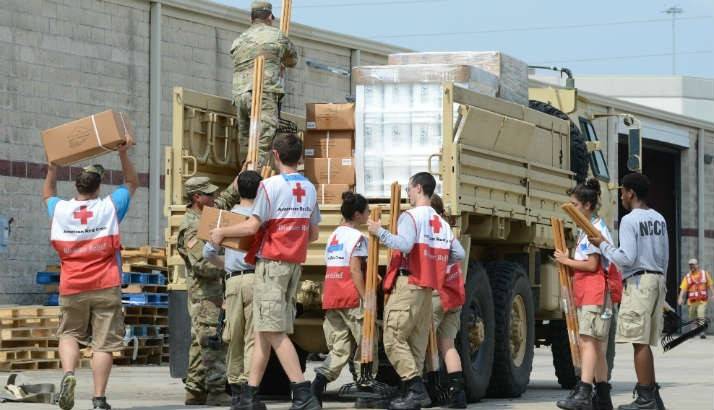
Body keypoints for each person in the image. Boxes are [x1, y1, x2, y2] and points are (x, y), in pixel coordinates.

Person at [209, 133, 321, 410]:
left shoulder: (269, 186)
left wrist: (221, 232)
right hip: (294, 264)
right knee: (263, 329)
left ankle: (303, 391)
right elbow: (314, 233)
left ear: (275, 155)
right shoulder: (309, 188)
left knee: (272, 330)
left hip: (272, 264)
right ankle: (249, 394)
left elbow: (250, 227)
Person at [43, 139, 138, 410]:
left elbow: (48, 194)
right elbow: (132, 182)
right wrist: (122, 154)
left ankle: (69, 375)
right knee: (103, 344)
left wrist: (52, 168)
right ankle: (99, 399)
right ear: (98, 186)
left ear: (77, 185)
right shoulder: (109, 206)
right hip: (105, 284)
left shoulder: (60, 209)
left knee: (69, 333)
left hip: (72, 285)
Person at [366, 173, 465, 410]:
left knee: (392, 338)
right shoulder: (440, 222)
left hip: (409, 284)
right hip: (428, 289)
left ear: (418, 188)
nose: (408, 194)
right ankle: (409, 394)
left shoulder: (410, 216)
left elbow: (404, 245)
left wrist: (378, 231)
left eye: (409, 189)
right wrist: (435, 263)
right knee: (416, 345)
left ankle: (415, 389)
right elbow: (459, 254)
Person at [588, 173, 669, 410]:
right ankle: (653, 397)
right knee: (645, 341)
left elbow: (626, 257)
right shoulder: (659, 218)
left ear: (631, 193)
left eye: (622, 191)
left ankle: (644, 398)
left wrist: (602, 245)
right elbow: (665, 255)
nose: (621, 196)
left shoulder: (630, 220)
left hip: (638, 283)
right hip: (657, 280)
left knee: (638, 342)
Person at [553, 179, 619, 410]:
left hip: (595, 290)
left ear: (588, 205)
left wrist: (566, 261)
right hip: (585, 290)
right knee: (596, 346)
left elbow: (592, 265)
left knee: (588, 342)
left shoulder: (595, 229)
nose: (572, 209)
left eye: (576, 205)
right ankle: (602, 394)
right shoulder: (585, 229)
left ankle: (584, 391)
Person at [177, 175, 242, 406]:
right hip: (205, 295)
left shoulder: (207, 215)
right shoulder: (192, 226)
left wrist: (240, 179)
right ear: (197, 198)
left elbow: (224, 199)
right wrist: (231, 262)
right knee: (213, 340)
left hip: (211, 293)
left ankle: (195, 390)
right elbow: (202, 265)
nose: (214, 198)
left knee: (199, 341)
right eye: (209, 195)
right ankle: (215, 390)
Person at [311, 192, 378, 405]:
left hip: (332, 294)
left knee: (339, 348)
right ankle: (364, 390)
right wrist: (366, 297)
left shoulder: (334, 235)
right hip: (350, 295)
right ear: (358, 215)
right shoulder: (358, 238)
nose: (369, 214)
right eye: (367, 211)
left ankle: (317, 387)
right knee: (366, 343)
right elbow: (355, 270)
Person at [203, 170, 263, 407]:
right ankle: (249, 389)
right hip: (257, 279)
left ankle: (236, 390)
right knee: (253, 337)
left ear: (237, 190)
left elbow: (208, 252)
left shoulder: (224, 219)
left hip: (233, 281)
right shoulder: (261, 220)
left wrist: (227, 265)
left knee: (233, 335)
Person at [231, 0, 298, 168]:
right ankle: (253, 179)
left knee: (246, 140)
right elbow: (292, 60)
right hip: (263, 92)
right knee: (263, 140)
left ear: (252, 18)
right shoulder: (277, 35)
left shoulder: (239, 40)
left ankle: (243, 179)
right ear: (269, 17)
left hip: (240, 95)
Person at [428, 194, 466, 409]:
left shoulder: (428, 228)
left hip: (436, 292)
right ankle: (457, 395)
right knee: (448, 345)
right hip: (453, 292)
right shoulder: (447, 230)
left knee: (427, 344)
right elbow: (458, 255)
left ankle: (432, 391)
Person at [677, 258, 713, 338]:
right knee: (692, 317)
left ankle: (702, 332)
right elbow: (683, 289)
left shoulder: (704, 274)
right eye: (690, 265)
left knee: (701, 314)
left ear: (697, 265)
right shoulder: (687, 277)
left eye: (693, 265)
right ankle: (693, 331)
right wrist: (680, 298)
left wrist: (713, 294)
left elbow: (710, 284)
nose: (691, 266)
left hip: (702, 300)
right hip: (692, 301)